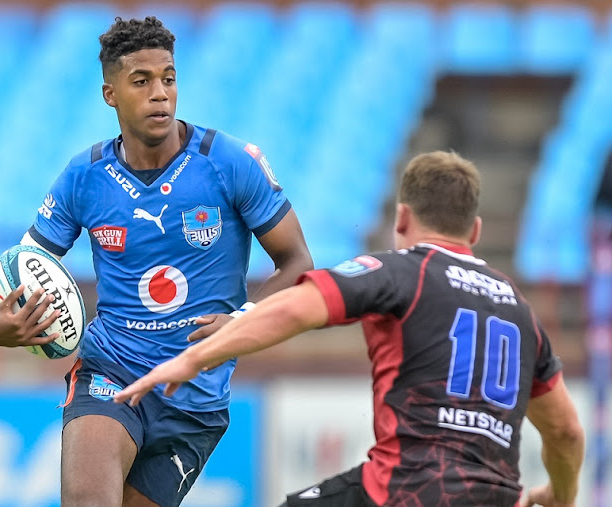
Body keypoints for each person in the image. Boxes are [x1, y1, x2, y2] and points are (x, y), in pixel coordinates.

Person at [115, 151, 585, 507]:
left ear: (402, 218)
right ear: (475, 231)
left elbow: (297, 307)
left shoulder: (405, 272)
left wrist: (195, 356)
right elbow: (565, 431)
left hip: (406, 490)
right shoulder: (521, 313)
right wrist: (559, 497)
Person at [0, 15, 313, 507]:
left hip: (194, 396)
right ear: (111, 93)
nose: (160, 93)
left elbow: (298, 262)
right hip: (111, 369)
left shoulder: (230, 163)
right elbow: (24, 262)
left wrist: (243, 321)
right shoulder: (85, 176)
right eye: (142, 81)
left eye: (168, 78)